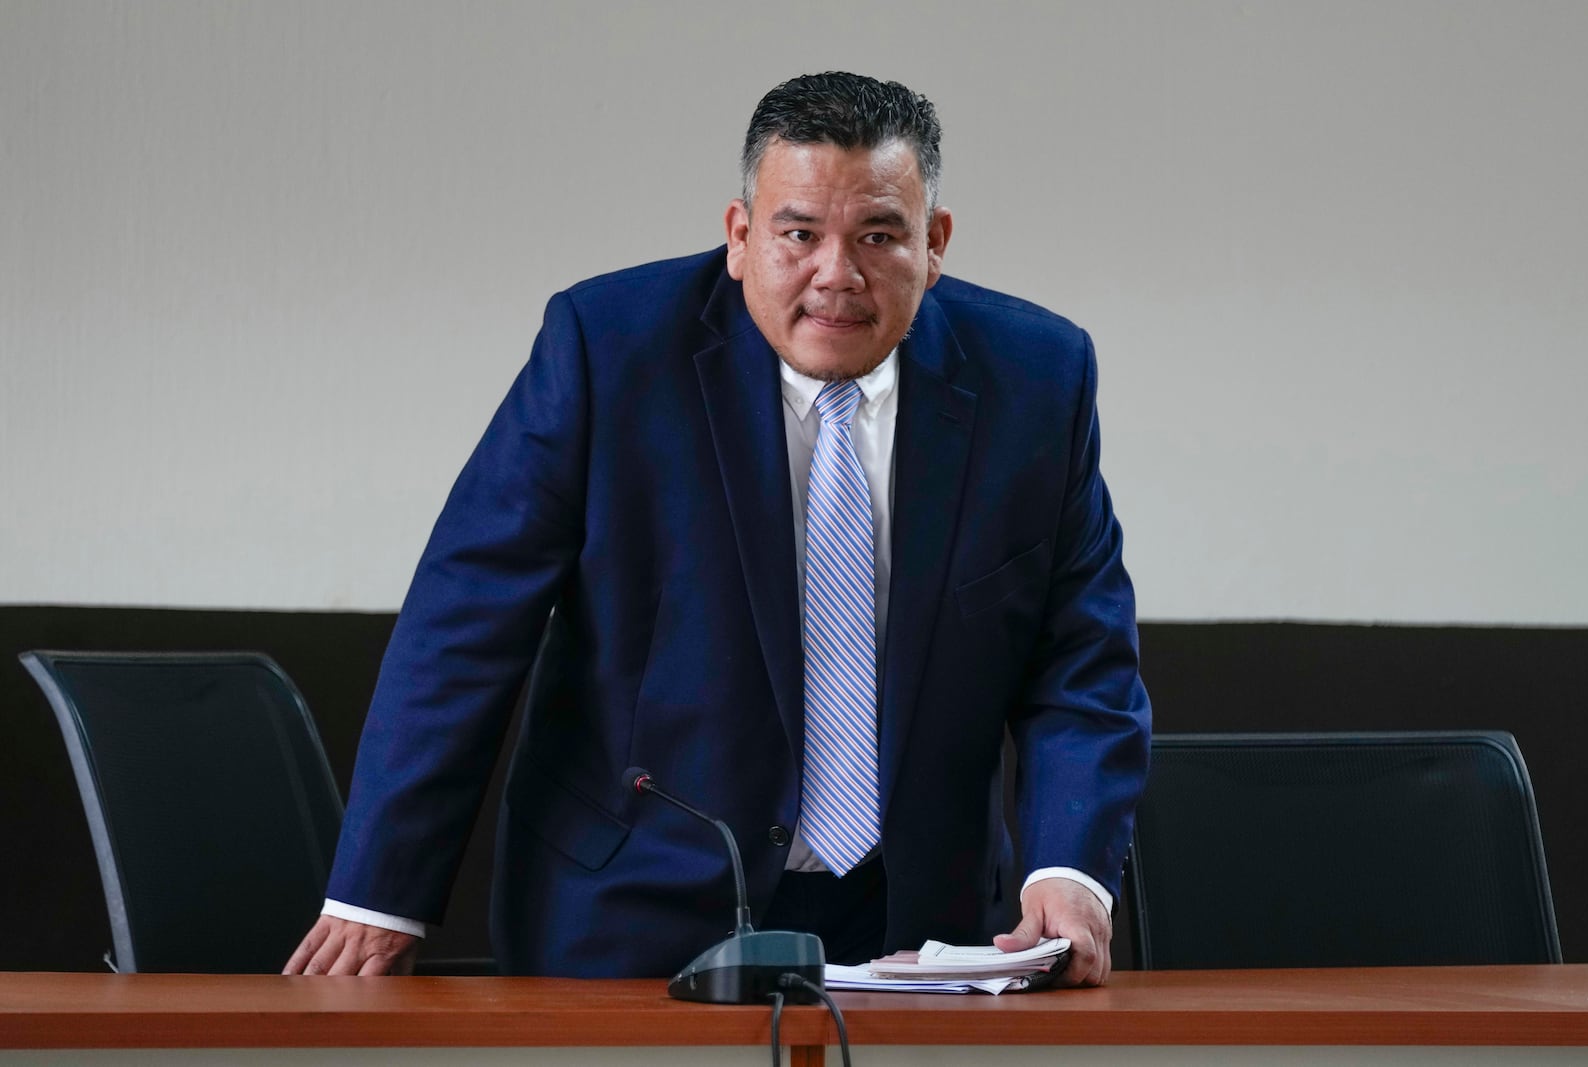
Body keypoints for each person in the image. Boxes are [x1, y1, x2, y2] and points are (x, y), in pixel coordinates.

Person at [285, 71, 1150, 987]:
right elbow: (464, 623)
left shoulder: (1037, 379)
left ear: (934, 244)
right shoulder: (608, 349)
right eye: (799, 234)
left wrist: (1069, 869)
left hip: (924, 926)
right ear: (740, 237)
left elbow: (1082, 659)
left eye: (879, 236)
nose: (836, 274)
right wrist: (380, 895)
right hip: (633, 902)